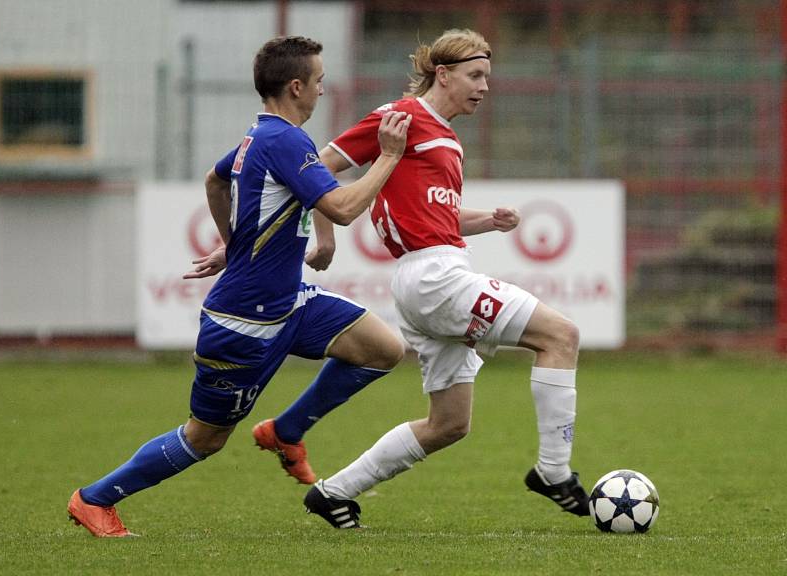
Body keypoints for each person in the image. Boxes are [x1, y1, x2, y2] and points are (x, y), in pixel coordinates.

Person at [67, 35, 412, 537]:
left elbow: (214, 180)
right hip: (242, 325)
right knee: (204, 439)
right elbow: (340, 207)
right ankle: (94, 499)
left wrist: (236, 246)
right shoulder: (285, 141)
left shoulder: (261, 136)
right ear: (296, 87)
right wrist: (389, 156)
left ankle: (287, 430)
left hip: (286, 304)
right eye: (318, 82)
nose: (322, 90)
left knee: (383, 348)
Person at [295, 29, 589, 529]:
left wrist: (487, 221)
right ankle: (553, 472)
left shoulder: (446, 138)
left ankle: (333, 492)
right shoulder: (402, 117)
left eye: (488, 78)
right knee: (561, 336)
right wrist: (325, 236)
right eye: (475, 76)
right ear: (444, 74)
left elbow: (438, 218)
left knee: (449, 424)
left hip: (426, 275)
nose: (484, 87)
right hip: (434, 277)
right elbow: (317, 167)